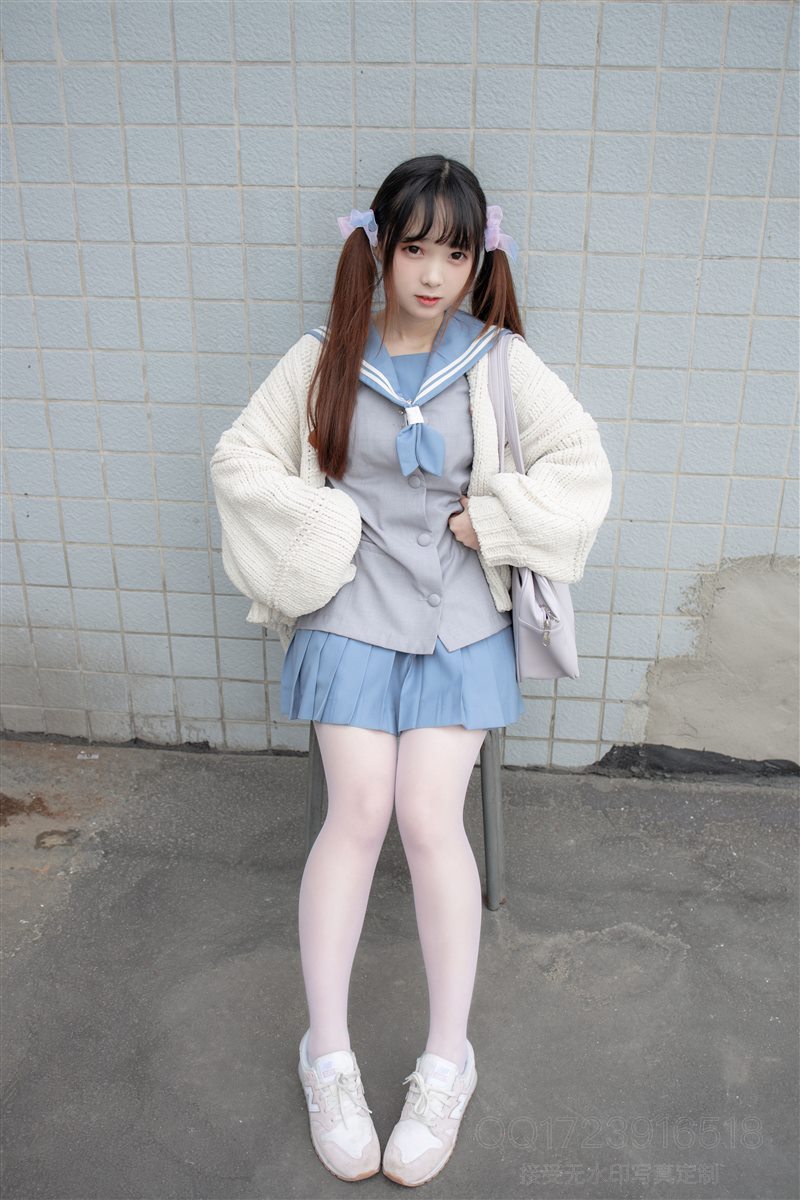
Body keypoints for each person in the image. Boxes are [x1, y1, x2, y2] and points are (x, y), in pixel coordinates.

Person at [209, 154, 613, 1187]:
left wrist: (497, 519)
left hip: (459, 623)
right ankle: (328, 1056)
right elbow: (239, 461)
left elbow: (583, 469)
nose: (434, 275)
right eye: (416, 249)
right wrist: (324, 526)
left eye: (456, 254)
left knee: (430, 817)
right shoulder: (324, 356)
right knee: (359, 809)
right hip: (350, 614)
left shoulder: (498, 361)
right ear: (379, 249)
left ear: (480, 261)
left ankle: (445, 1062)